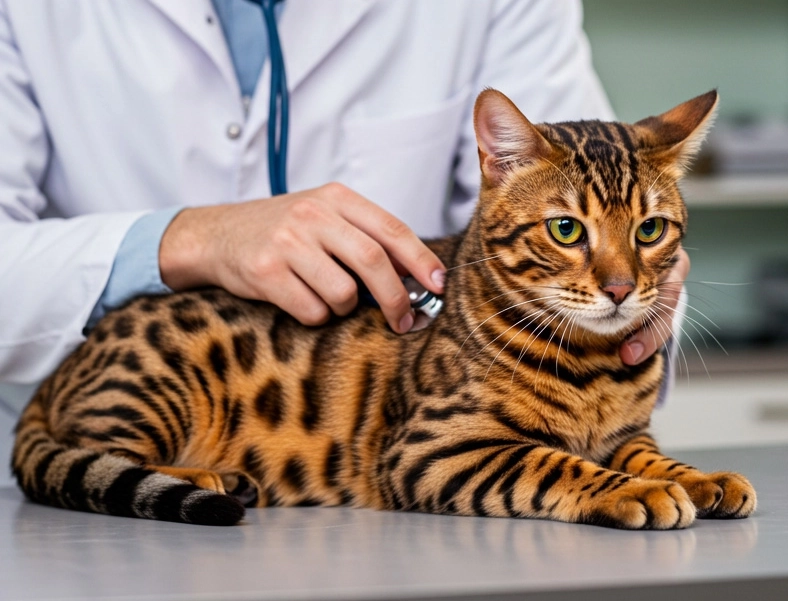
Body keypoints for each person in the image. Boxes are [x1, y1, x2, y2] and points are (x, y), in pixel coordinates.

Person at [0, 1, 688, 449]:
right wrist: (188, 239)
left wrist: (643, 290)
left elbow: (586, 185)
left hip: (401, 498)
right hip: (83, 496)